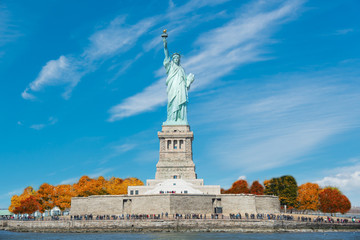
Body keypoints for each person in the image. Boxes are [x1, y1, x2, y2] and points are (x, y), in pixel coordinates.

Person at [162, 36, 194, 125]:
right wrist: (165, 44)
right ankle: (171, 119)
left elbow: (186, 83)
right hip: (173, 87)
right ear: (173, 59)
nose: (176, 59)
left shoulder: (182, 69)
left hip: (181, 88)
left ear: (179, 59)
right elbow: (166, 55)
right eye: (174, 58)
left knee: (180, 103)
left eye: (177, 58)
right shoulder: (170, 66)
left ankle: (180, 118)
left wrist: (189, 81)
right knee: (172, 102)